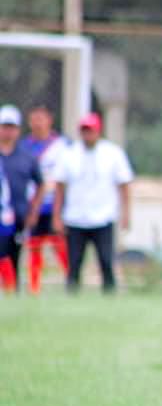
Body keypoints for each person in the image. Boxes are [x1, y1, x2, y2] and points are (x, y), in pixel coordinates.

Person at [52, 112, 134, 293]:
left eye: (91, 131)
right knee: (74, 262)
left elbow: (124, 185)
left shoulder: (113, 153)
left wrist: (126, 214)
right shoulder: (69, 154)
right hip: (75, 218)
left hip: (103, 217)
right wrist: (56, 216)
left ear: (99, 131)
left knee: (106, 260)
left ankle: (110, 294)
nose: (87, 135)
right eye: (84, 131)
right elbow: (59, 188)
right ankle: (71, 294)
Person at [19, 104, 70, 294]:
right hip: (33, 206)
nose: (37, 123)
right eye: (34, 119)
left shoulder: (62, 145)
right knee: (34, 248)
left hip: (55, 205)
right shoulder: (24, 146)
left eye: (41, 118)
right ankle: (34, 288)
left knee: (61, 247)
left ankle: (71, 282)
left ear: (50, 119)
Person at [0, 104, 44, 292]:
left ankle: (12, 292)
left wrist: (33, 211)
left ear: (18, 130)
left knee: (13, 257)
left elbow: (41, 184)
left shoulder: (27, 156)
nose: (8, 131)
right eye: (4, 126)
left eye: (12, 127)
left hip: (18, 216)